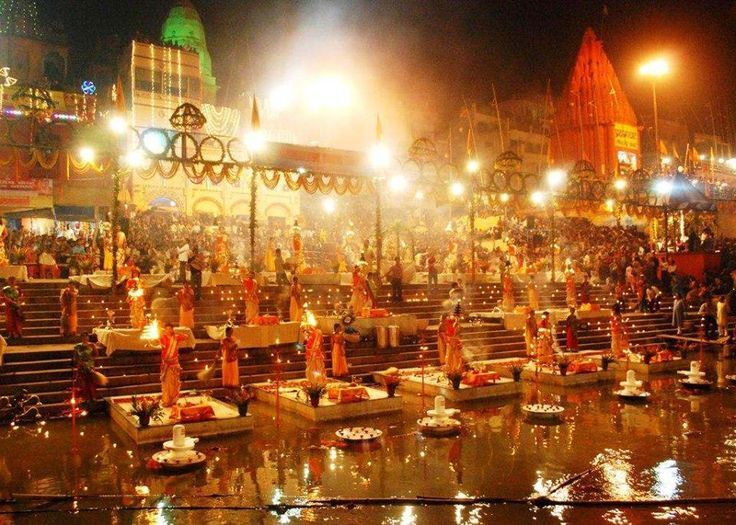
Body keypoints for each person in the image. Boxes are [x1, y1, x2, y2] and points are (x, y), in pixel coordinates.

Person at [159, 323, 187, 407]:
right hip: (166, 364)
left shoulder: (176, 337)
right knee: (167, 383)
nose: (168, 330)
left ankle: (174, 400)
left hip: (174, 364)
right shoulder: (162, 338)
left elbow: (186, 336)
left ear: (172, 329)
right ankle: (166, 400)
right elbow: (159, 344)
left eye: (170, 328)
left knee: (175, 383)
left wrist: (175, 333)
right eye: (166, 329)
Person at [74, 333, 99, 402]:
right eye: (83, 337)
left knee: (91, 382)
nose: (85, 338)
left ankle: (93, 397)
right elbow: (76, 357)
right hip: (81, 366)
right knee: (83, 383)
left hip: (90, 366)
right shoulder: (77, 346)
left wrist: (90, 360)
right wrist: (79, 363)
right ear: (81, 338)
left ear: (88, 337)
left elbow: (96, 354)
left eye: (86, 337)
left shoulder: (92, 345)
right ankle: (85, 397)